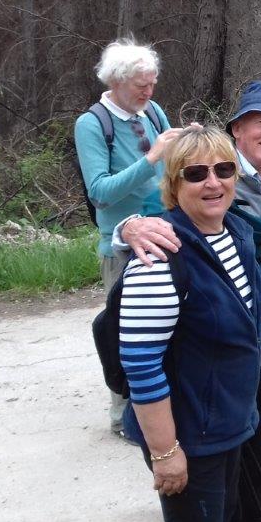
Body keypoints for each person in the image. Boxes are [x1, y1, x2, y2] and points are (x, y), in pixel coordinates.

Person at [119, 80, 261, 522]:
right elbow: (141, 363)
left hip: (234, 418)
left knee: (242, 505)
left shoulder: (237, 231)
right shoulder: (161, 254)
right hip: (193, 433)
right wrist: (166, 453)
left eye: (223, 171)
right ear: (174, 182)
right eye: (196, 174)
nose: (213, 181)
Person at [74, 39, 182, 439]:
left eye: (152, 84)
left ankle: (159, 406)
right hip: (122, 244)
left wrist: (182, 145)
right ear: (117, 81)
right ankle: (123, 415)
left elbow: (169, 165)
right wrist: (152, 158)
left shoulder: (152, 111)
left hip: (166, 235)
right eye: (141, 85)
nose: (149, 93)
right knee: (125, 330)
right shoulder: (92, 124)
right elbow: (100, 191)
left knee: (167, 326)